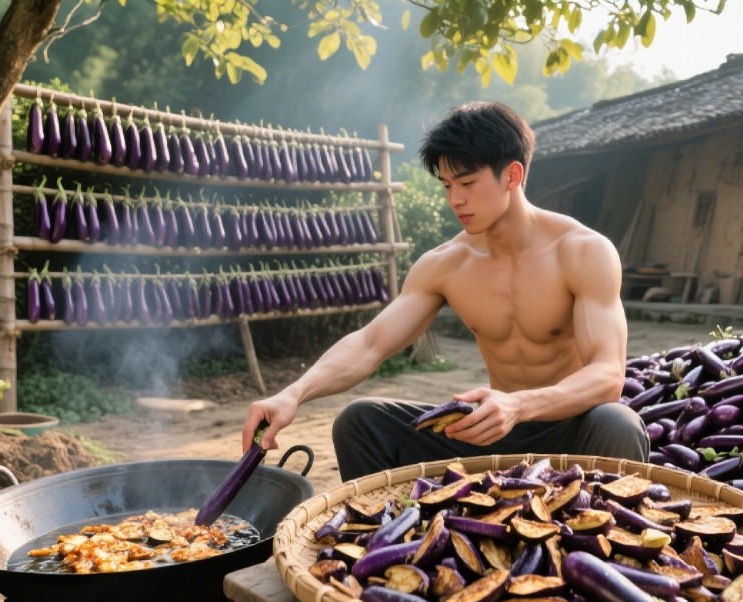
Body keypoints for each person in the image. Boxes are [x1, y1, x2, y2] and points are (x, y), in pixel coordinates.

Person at [242, 101, 649, 480]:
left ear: (512, 175)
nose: (455, 199)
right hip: (492, 434)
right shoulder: (445, 264)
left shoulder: (583, 252)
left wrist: (518, 404)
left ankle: (607, 549)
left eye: (467, 183)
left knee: (618, 421)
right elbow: (370, 343)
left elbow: (607, 375)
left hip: (569, 430)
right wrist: (292, 394)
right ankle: (389, 547)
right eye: (446, 185)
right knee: (360, 422)